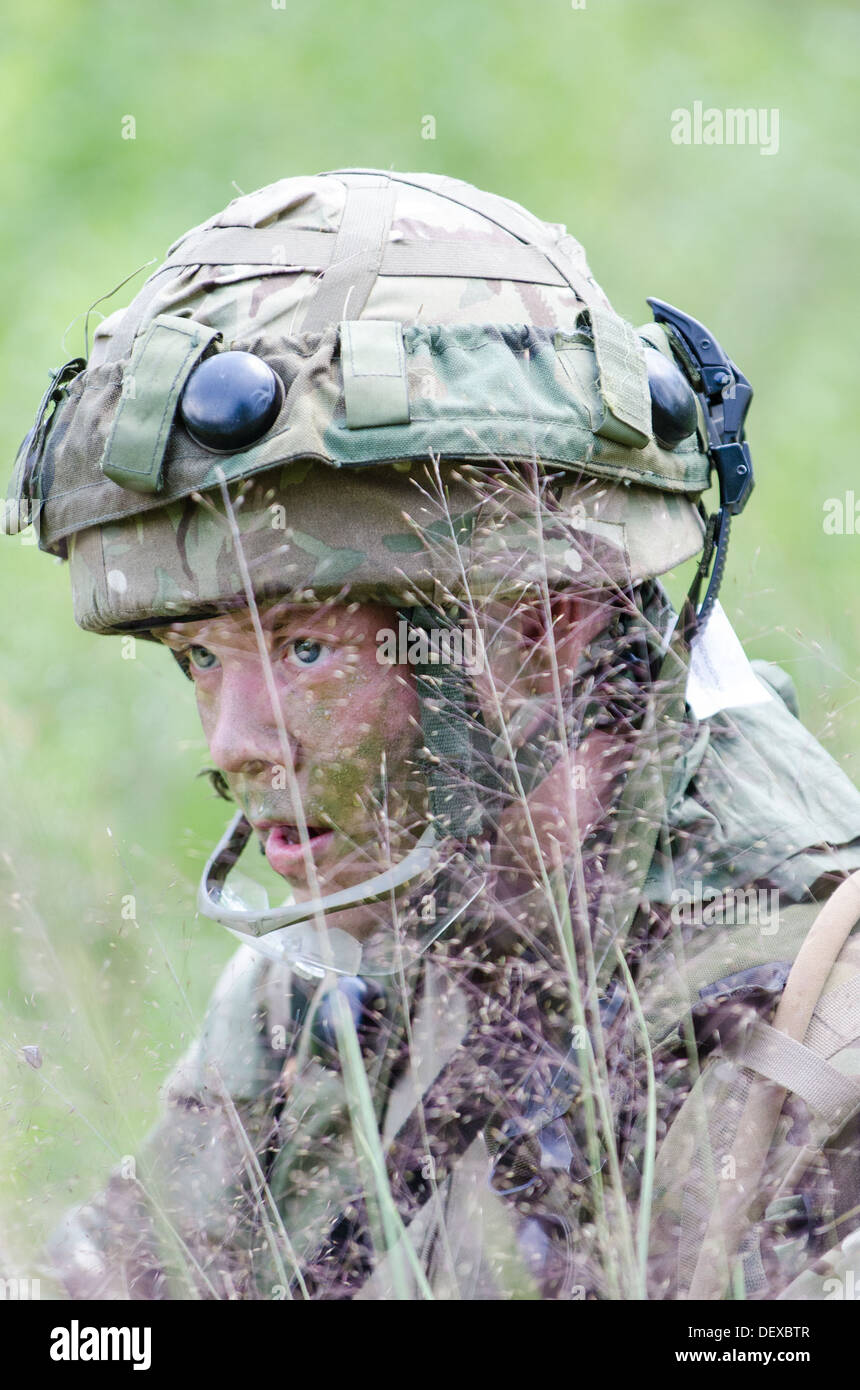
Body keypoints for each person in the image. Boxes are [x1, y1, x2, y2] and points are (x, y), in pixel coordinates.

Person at [7, 169, 860, 1301]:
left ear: (548, 622)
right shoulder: (330, 978)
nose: (232, 742)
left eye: (304, 649)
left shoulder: (812, 1016)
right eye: (197, 656)